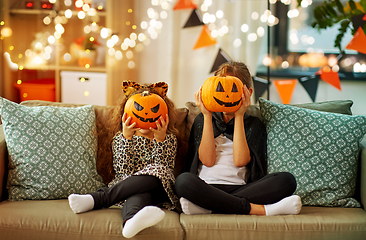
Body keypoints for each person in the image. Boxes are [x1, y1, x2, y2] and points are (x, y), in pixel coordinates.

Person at [175, 61, 302, 216]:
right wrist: (207, 116)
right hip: (205, 187)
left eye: (233, 88)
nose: (226, 95)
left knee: (287, 180)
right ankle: (258, 210)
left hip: (241, 188)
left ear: (248, 92)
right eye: (220, 88)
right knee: (183, 181)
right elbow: (207, 160)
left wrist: (239, 116)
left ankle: (209, 207)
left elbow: (240, 161)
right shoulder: (203, 119)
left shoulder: (253, 124)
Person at [68, 81, 179, 238]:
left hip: (158, 190)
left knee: (158, 172)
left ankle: (98, 198)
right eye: (139, 109)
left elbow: (163, 171)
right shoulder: (122, 138)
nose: (146, 115)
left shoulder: (169, 139)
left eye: (153, 110)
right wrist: (126, 138)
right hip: (129, 190)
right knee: (138, 195)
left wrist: (160, 140)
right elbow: (124, 171)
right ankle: (129, 223)